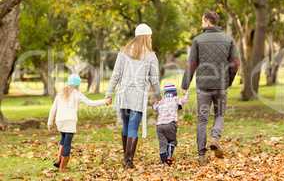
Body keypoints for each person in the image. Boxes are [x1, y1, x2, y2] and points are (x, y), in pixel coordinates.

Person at [181, 11, 240, 165]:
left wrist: (185, 85)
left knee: (202, 120)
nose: (201, 23)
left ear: (207, 21)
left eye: (202, 20)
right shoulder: (228, 39)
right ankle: (215, 137)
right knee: (220, 114)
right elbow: (235, 64)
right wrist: (229, 81)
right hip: (221, 85)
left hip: (203, 86)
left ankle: (201, 156)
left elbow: (191, 64)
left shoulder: (198, 40)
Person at [105, 23, 160, 169]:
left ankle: (126, 158)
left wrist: (109, 94)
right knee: (133, 127)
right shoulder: (151, 56)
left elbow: (115, 75)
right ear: (147, 37)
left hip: (123, 95)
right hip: (138, 97)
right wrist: (158, 95)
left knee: (126, 126)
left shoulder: (123, 53)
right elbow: (154, 79)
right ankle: (128, 160)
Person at [47, 74, 109, 172]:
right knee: (67, 143)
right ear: (77, 84)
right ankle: (62, 168)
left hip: (59, 120)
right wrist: (105, 101)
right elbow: (91, 103)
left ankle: (59, 161)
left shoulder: (60, 93)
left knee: (63, 140)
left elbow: (53, 108)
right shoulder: (77, 93)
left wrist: (50, 122)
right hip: (70, 121)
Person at [153, 84, 188, 166]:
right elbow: (184, 101)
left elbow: (154, 107)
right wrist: (186, 93)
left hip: (159, 125)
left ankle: (163, 156)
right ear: (175, 92)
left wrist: (156, 101)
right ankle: (168, 157)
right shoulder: (175, 99)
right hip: (171, 124)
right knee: (172, 140)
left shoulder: (161, 101)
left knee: (162, 142)